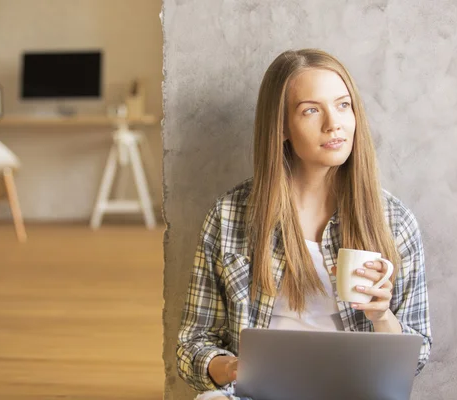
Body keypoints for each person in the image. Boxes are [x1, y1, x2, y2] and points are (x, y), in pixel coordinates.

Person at [176, 48, 432, 400]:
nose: (333, 123)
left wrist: (381, 315)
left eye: (343, 105)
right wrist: (234, 367)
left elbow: (416, 355)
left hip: (353, 393)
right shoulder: (229, 215)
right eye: (311, 110)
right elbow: (193, 345)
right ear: (281, 127)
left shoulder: (393, 220)